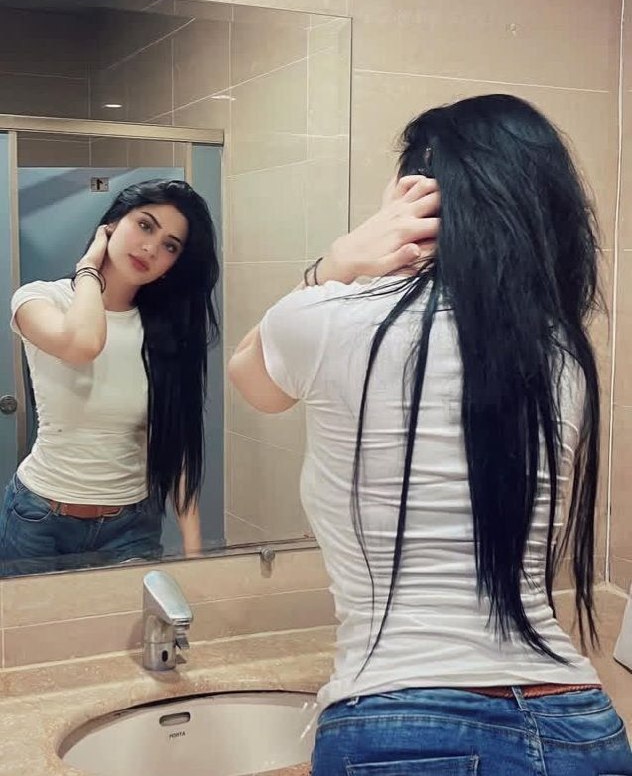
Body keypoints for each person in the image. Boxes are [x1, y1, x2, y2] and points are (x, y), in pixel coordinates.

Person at [228, 95, 632, 774]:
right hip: (580, 724)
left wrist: (337, 262)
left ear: (414, 200)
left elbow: (250, 377)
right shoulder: (560, 356)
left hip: (406, 726)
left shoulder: (331, 321)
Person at [1, 179, 219, 576]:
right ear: (113, 223)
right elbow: (83, 343)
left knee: (132, 620)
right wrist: (89, 268)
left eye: (170, 246)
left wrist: (194, 553)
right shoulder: (40, 298)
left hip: (131, 527)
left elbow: (175, 441)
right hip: (39, 520)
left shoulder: (165, 332)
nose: (151, 248)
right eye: (145, 225)